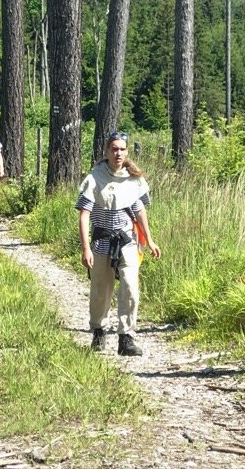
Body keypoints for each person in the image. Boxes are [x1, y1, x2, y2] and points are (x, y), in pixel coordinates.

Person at [76, 131, 161, 357]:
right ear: (107, 151)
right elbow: (84, 215)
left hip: (127, 241)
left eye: (122, 149)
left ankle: (126, 337)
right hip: (102, 242)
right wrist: (86, 248)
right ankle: (99, 331)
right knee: (100, 290)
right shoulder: (95, 178)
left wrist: (149, 240)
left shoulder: (133, 179)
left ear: (127, 151)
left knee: (130, 287)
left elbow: (139, 211)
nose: (118, 153)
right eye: (114, 149)